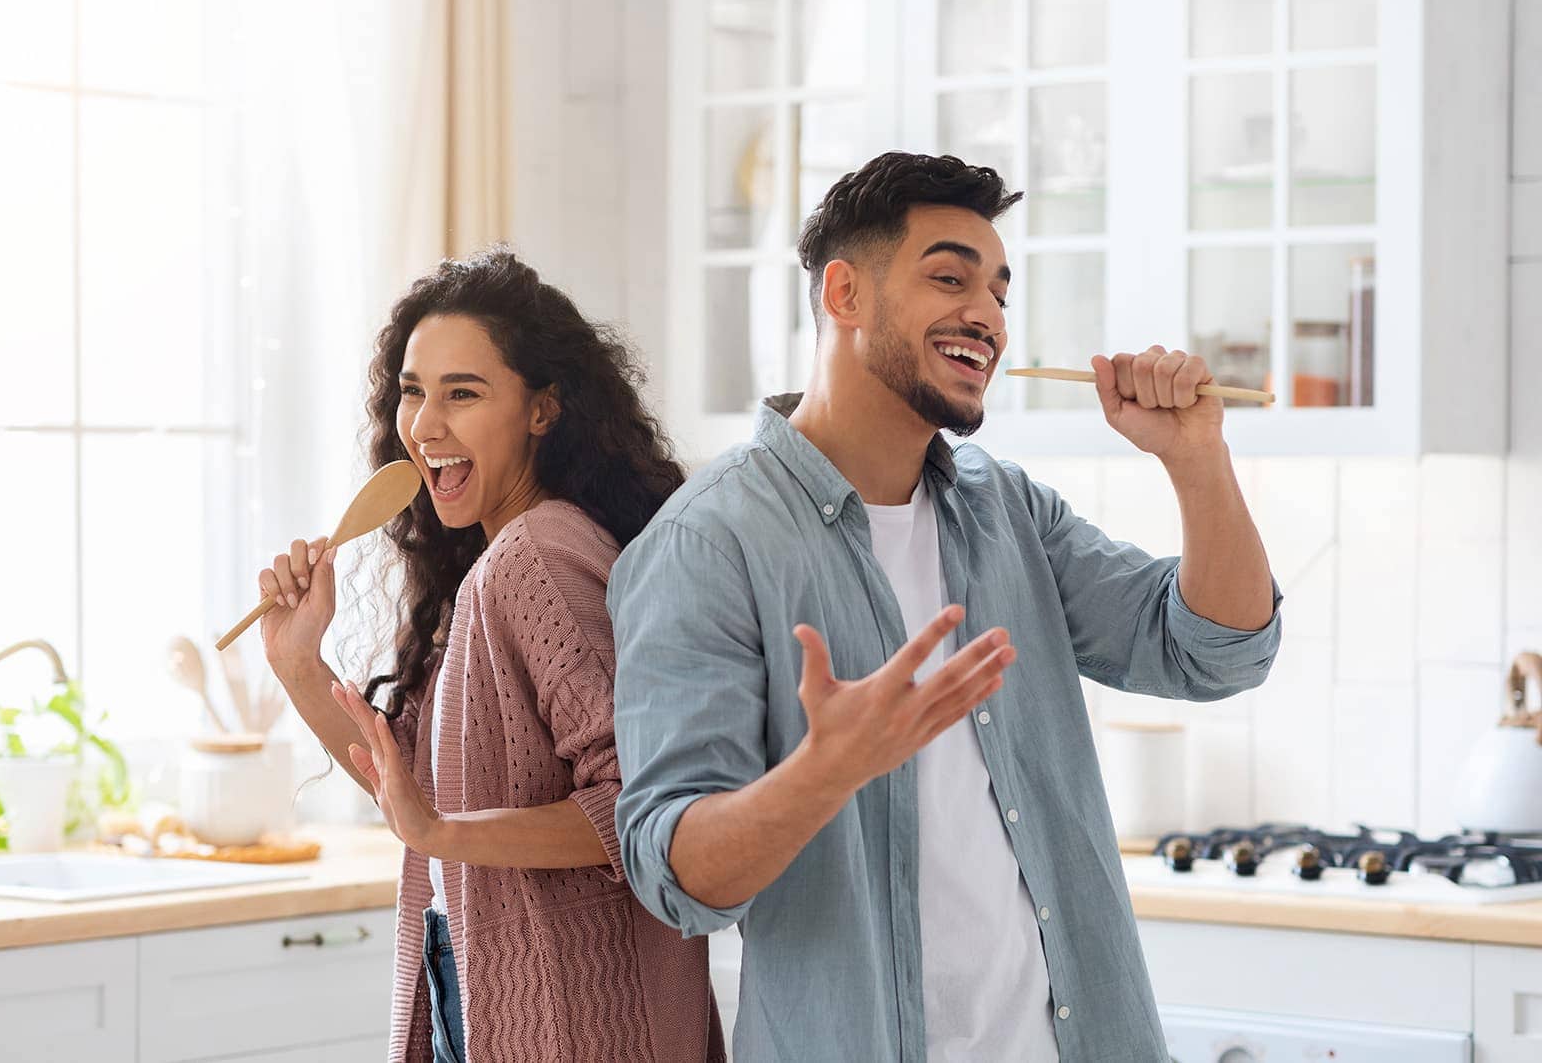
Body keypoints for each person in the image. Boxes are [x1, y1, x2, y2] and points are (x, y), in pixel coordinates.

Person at [609, 152, 1281, 1062]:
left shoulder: (1005, 509)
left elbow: (1216, 650)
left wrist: (1195, 458)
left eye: (1001, 292)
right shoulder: (706, 543)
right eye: (949, 277)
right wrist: (824, 770)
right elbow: (674, 874)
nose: (989, 317)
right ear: (844, 294)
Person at [257, 248, 725, 1063]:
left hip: (567, 1016)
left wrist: (443, 831)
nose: (425, 425)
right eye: (413, 391)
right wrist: (301, 661)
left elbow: (638, 811)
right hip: (476, 978)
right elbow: (418, 794)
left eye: (462, 393)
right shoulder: (497, 559)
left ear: (542, 410)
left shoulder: (534, 557)